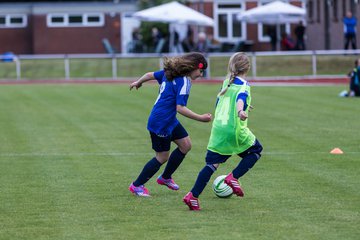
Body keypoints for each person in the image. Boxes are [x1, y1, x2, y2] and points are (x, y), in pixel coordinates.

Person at [183, 52, 263, 210]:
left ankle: (192, 196)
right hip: (234, 129)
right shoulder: (244, 85)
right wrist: (241, 111)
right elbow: (240, 99)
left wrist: (245, 106)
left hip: (218, 129)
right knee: (256, 150)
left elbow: (226, 101)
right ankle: (233, 177)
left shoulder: (226, 82)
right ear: (247, 67)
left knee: (211, 165)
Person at [129, 52, 212, 197]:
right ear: (192, 67)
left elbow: (149, 74)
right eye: (200, 71)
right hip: (161, 122)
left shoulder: (169, 73)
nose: (201, 74)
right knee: (162, 157)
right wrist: (201, 118)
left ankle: (165, 177)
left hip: (168, 120)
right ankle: (137, 185)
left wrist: (139, 82)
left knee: (186, 145)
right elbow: (180, 108)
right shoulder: (184, 81)